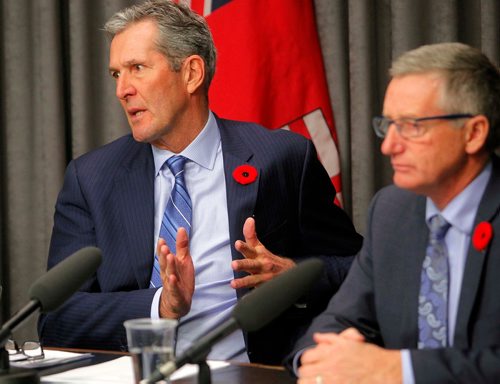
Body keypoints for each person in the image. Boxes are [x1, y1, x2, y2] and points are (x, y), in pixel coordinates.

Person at [38, 0, 362, 365]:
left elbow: (359, 268)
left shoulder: (282, 159)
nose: (122, 90)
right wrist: (161, 305)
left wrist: (292, 275)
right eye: (116, 74)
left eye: (137, 68)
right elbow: (55, 317)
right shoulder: (92, 178)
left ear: (191, 73)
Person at [287, 42, 500, 383]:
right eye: (388, 125)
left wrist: (398, 370)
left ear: (473, 133)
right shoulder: (392, 212)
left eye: (412, 126)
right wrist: (318, 361)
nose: (388, 146)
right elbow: (342, 320)